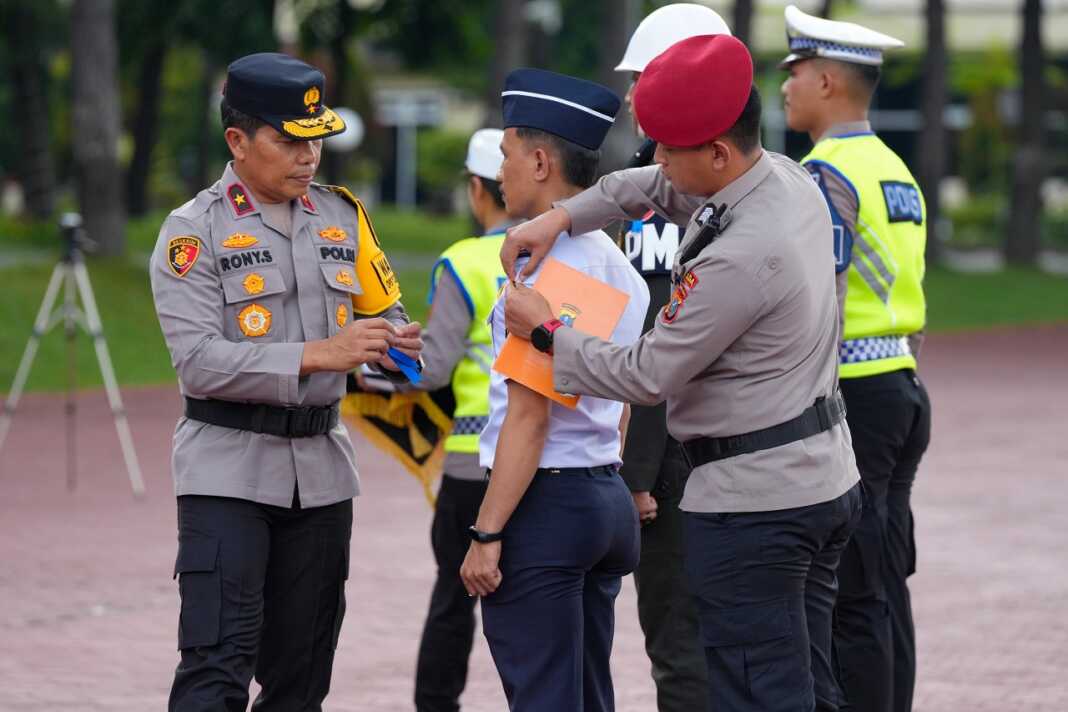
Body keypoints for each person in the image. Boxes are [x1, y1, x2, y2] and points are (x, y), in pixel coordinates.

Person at [501, 35, 863, 712]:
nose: (658, 160)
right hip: (817, 476)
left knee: (756, 693)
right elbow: (657, 185)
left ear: (719, 152)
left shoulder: (743, 254)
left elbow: (646, 373)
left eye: (669, 146)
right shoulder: (781, 177)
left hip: (757, 507)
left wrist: (547, 332)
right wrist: (564, 215)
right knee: (810, 686)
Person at [149, 52, 422, 711]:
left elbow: (389, 316)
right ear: (237, 141)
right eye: (291, 139)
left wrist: (395, 350)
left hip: (322, 476)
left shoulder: (342, 216)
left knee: (303, 678)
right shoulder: (194, 232)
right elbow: (200, 362)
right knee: (217, 666)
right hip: (227, 472)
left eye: (318, 137)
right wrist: (320, 354)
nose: (310, 156)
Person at [459, 68, 650, 712]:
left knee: (543, 696)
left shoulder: (553, 265)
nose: (502, 170)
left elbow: (530, 417)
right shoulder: (615, 261)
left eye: (508, 155)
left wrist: (486, 534)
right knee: (590, 693)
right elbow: (618, 398)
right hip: (602, 492)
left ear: (540, 162)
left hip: (548, 503)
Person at [780, 6, 933, 711]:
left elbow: (825, 296)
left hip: (856, 394)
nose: (785, 87)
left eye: (796, 73)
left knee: (853, 593)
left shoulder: (825, 173)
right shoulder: (895, 170)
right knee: (886, 579)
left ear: (828, 82)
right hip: (901, 383)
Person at [613, 5, 732, 710]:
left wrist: (636, 475)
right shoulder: (755, 177)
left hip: (677, 462)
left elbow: (662, 337)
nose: (631, 97)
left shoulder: (666, 194)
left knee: (681, 647)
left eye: (643, 78)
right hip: (750, 451)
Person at [412, 128, 518, 712]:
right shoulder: (560, 251)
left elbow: (434, 367)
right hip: (544, 464)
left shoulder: (465, 261)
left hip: (471, 467)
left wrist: (380, 357)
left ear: (478, 191)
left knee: (453, 601)